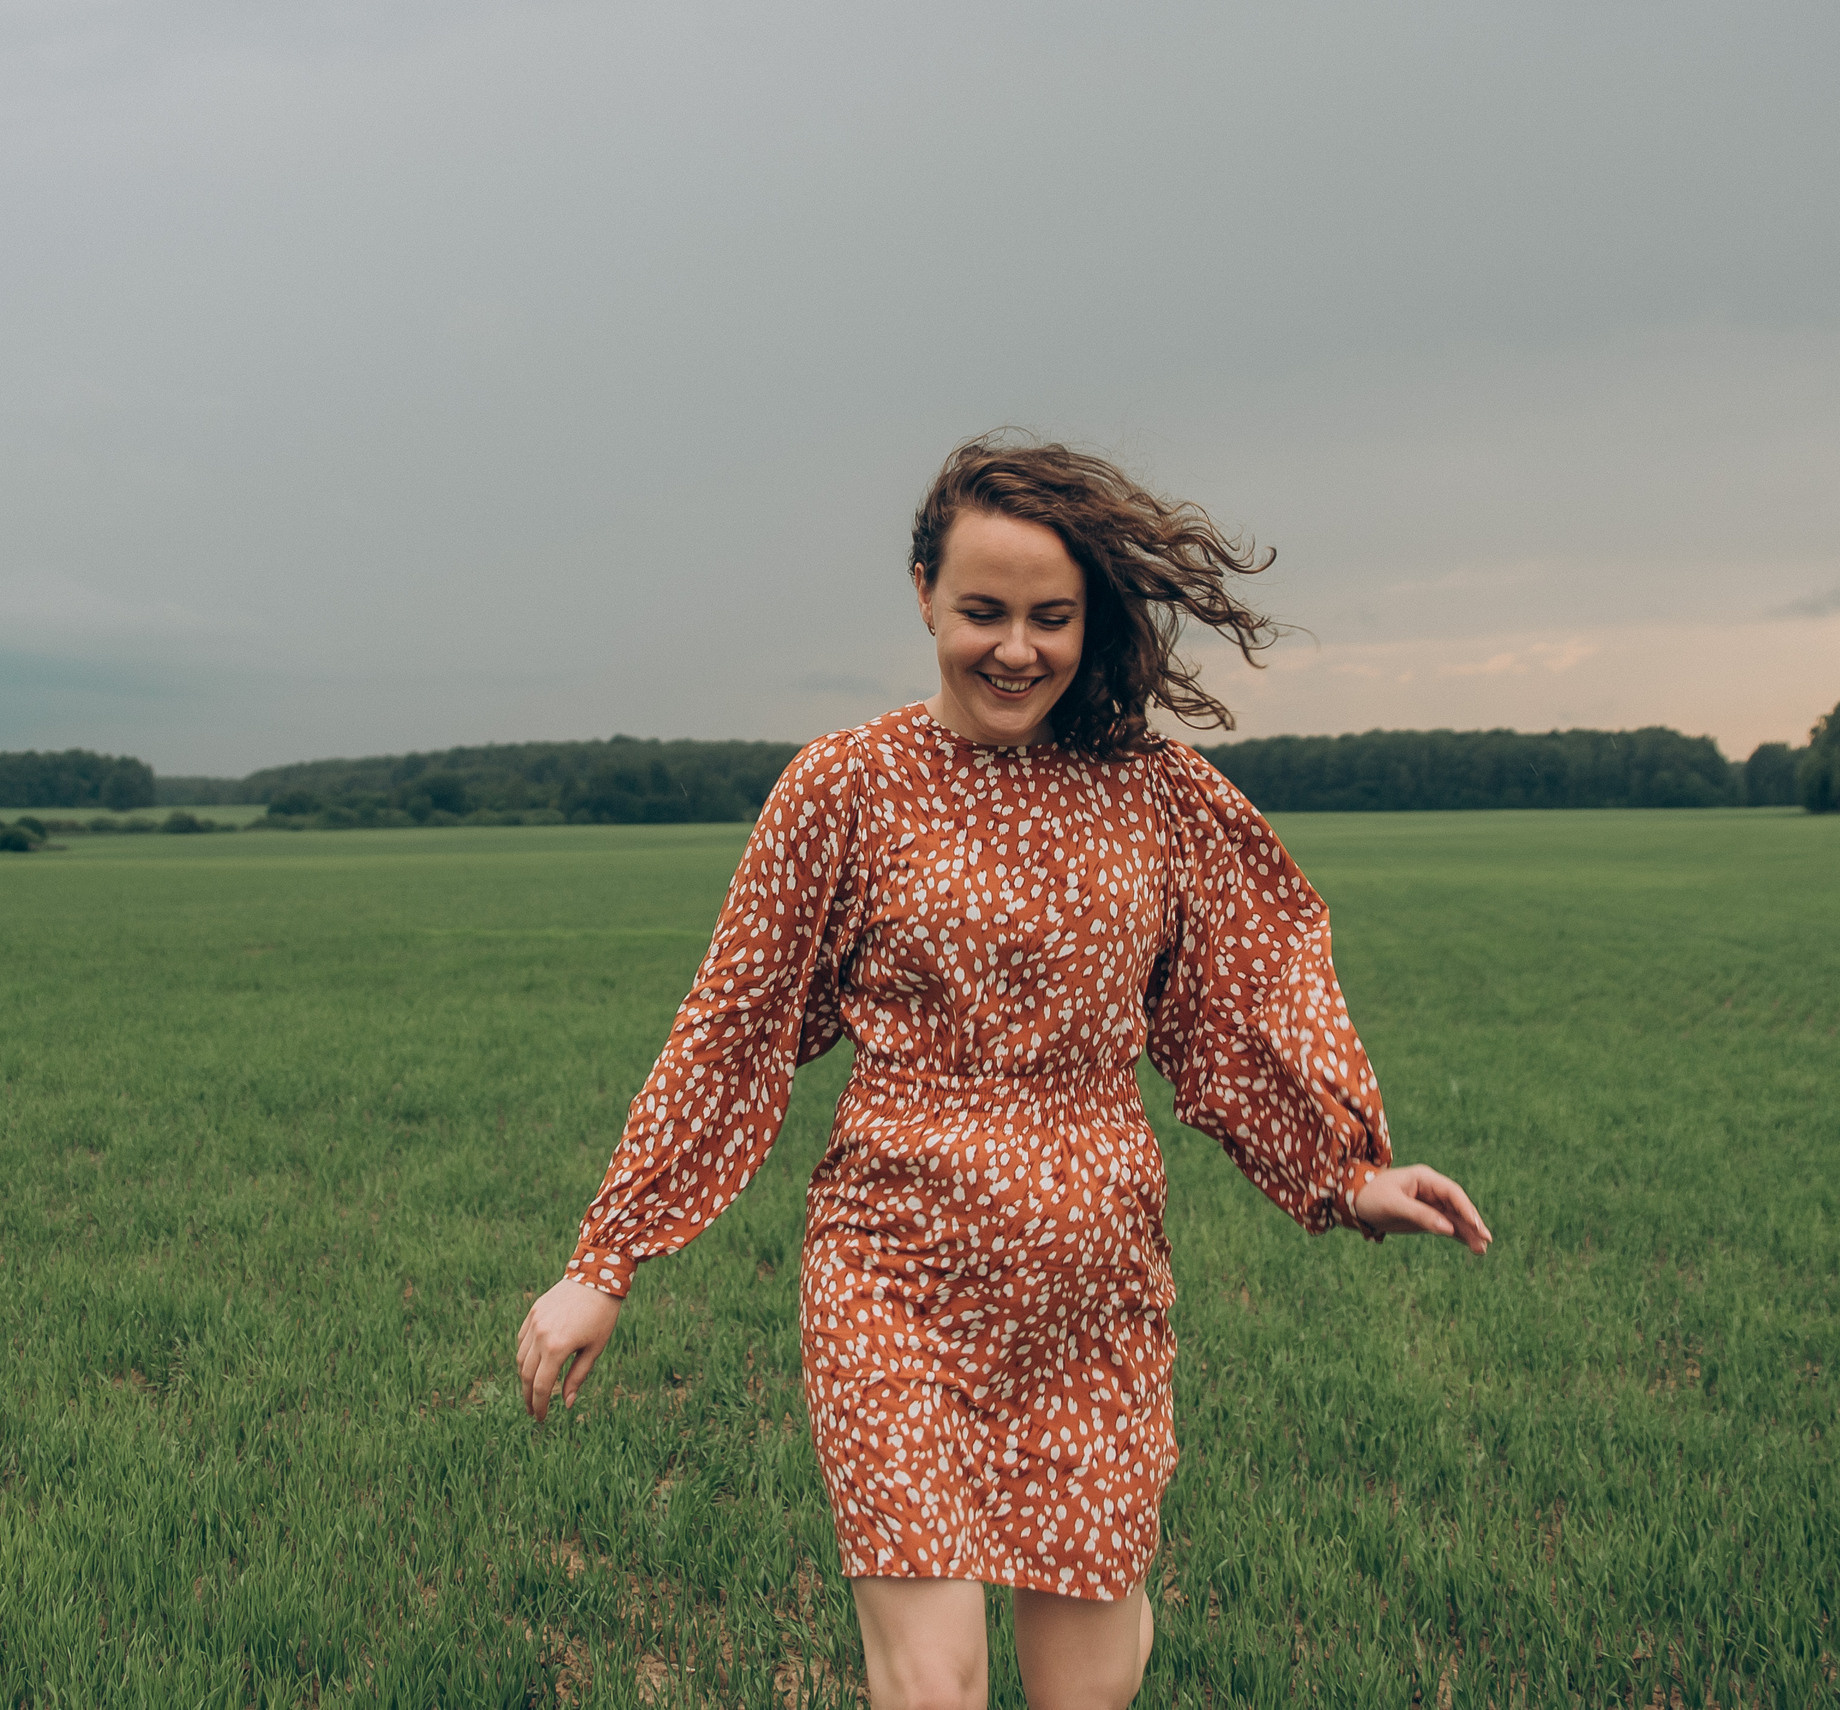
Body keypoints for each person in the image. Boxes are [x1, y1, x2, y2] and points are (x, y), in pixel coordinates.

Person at [514, 434, 1492, 1710]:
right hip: (891, 1274)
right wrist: (609, 1258)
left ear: (1092, 620)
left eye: (1050, 617)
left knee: (1085, 1687)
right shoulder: (842, 788)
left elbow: (1231, 1016)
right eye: (982, 611)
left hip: (1092, 1296)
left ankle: (1116, 1607)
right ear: (921, 591)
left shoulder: (1159, 798)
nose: (1016, 649)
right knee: (934, 1687)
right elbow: (731, 1027)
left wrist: (1346, 1176)